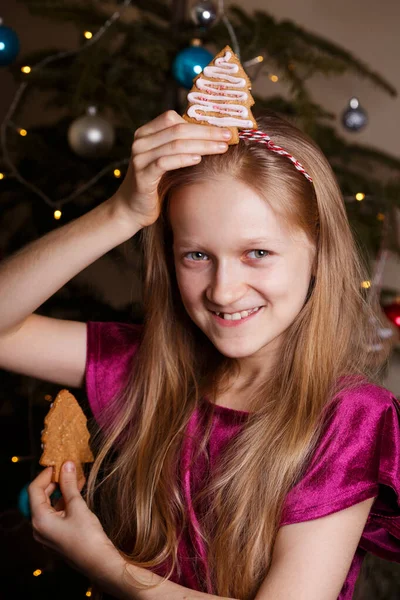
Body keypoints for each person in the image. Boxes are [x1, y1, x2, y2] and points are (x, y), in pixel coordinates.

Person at [1, 109, 400, 600]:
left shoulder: (351, 417)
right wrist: (120, 213)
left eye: (257, 253)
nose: (224, 291)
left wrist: (106, 566)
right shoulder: (149, 368)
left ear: (318, 251)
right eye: (197, 255)